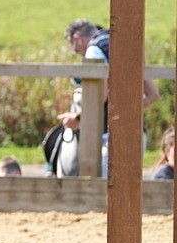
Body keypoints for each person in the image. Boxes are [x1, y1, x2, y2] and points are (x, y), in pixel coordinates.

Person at [58, 19, 159, 176]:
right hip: (137, 133)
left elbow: (99, 97)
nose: (77, 53)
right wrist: (126, 111)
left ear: (78, 38)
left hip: (110, 138)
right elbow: (153, 95)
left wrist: (76, 118)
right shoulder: (124, 43)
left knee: (105, 195)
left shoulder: (94, 50)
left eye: (74, 48)